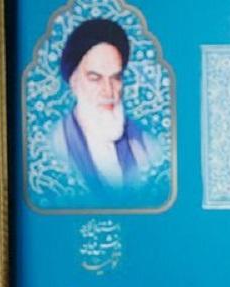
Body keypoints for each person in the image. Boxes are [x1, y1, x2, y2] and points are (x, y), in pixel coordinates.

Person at [50, 18, 160, 194]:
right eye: (95, 78)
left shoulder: (146, 146)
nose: (109, 92)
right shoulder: (54, 147)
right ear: (73, 82)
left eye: (116, 78)